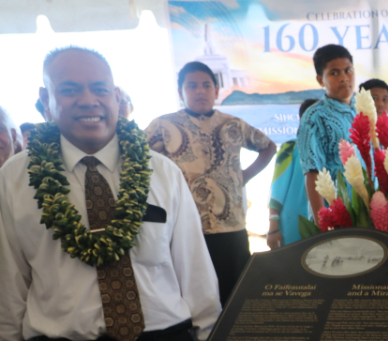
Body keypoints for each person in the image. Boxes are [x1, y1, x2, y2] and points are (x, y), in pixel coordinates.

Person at [0, 47, 220, 341]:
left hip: (164, 334)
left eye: (100, 89)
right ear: (45, 100)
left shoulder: (162, 171)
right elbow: (9, 283)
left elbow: (196, 270)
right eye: (70, 89)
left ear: (116, 97)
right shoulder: (15, 178)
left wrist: (209, 333)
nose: (89, 101)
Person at [144, 61, 277, 307]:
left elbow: (268, 146)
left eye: (206, 85)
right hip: (185, 226)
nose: (200, 91)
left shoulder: (233, 124)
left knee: (235, 293)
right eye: (192, 86)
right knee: (192, 294)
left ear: (216, 91)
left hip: (231, 225)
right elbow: (138, 158)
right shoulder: (162, 125)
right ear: (180, 91)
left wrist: (244, 176)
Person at [299, 44, 356, 226]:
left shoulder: (362, 109)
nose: (344, 78)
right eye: (334, 73)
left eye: (348, 71)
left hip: (370, 212)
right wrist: (322, 225)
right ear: (320, 80)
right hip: (335, 215)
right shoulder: (314, 117)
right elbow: (312, 171)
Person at [266, 99, 318, 249]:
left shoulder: (333, 151)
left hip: (324, 222)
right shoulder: (289, 148)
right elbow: (277, 191)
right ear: (302, 120)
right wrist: (273, 227)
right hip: (292, 223)